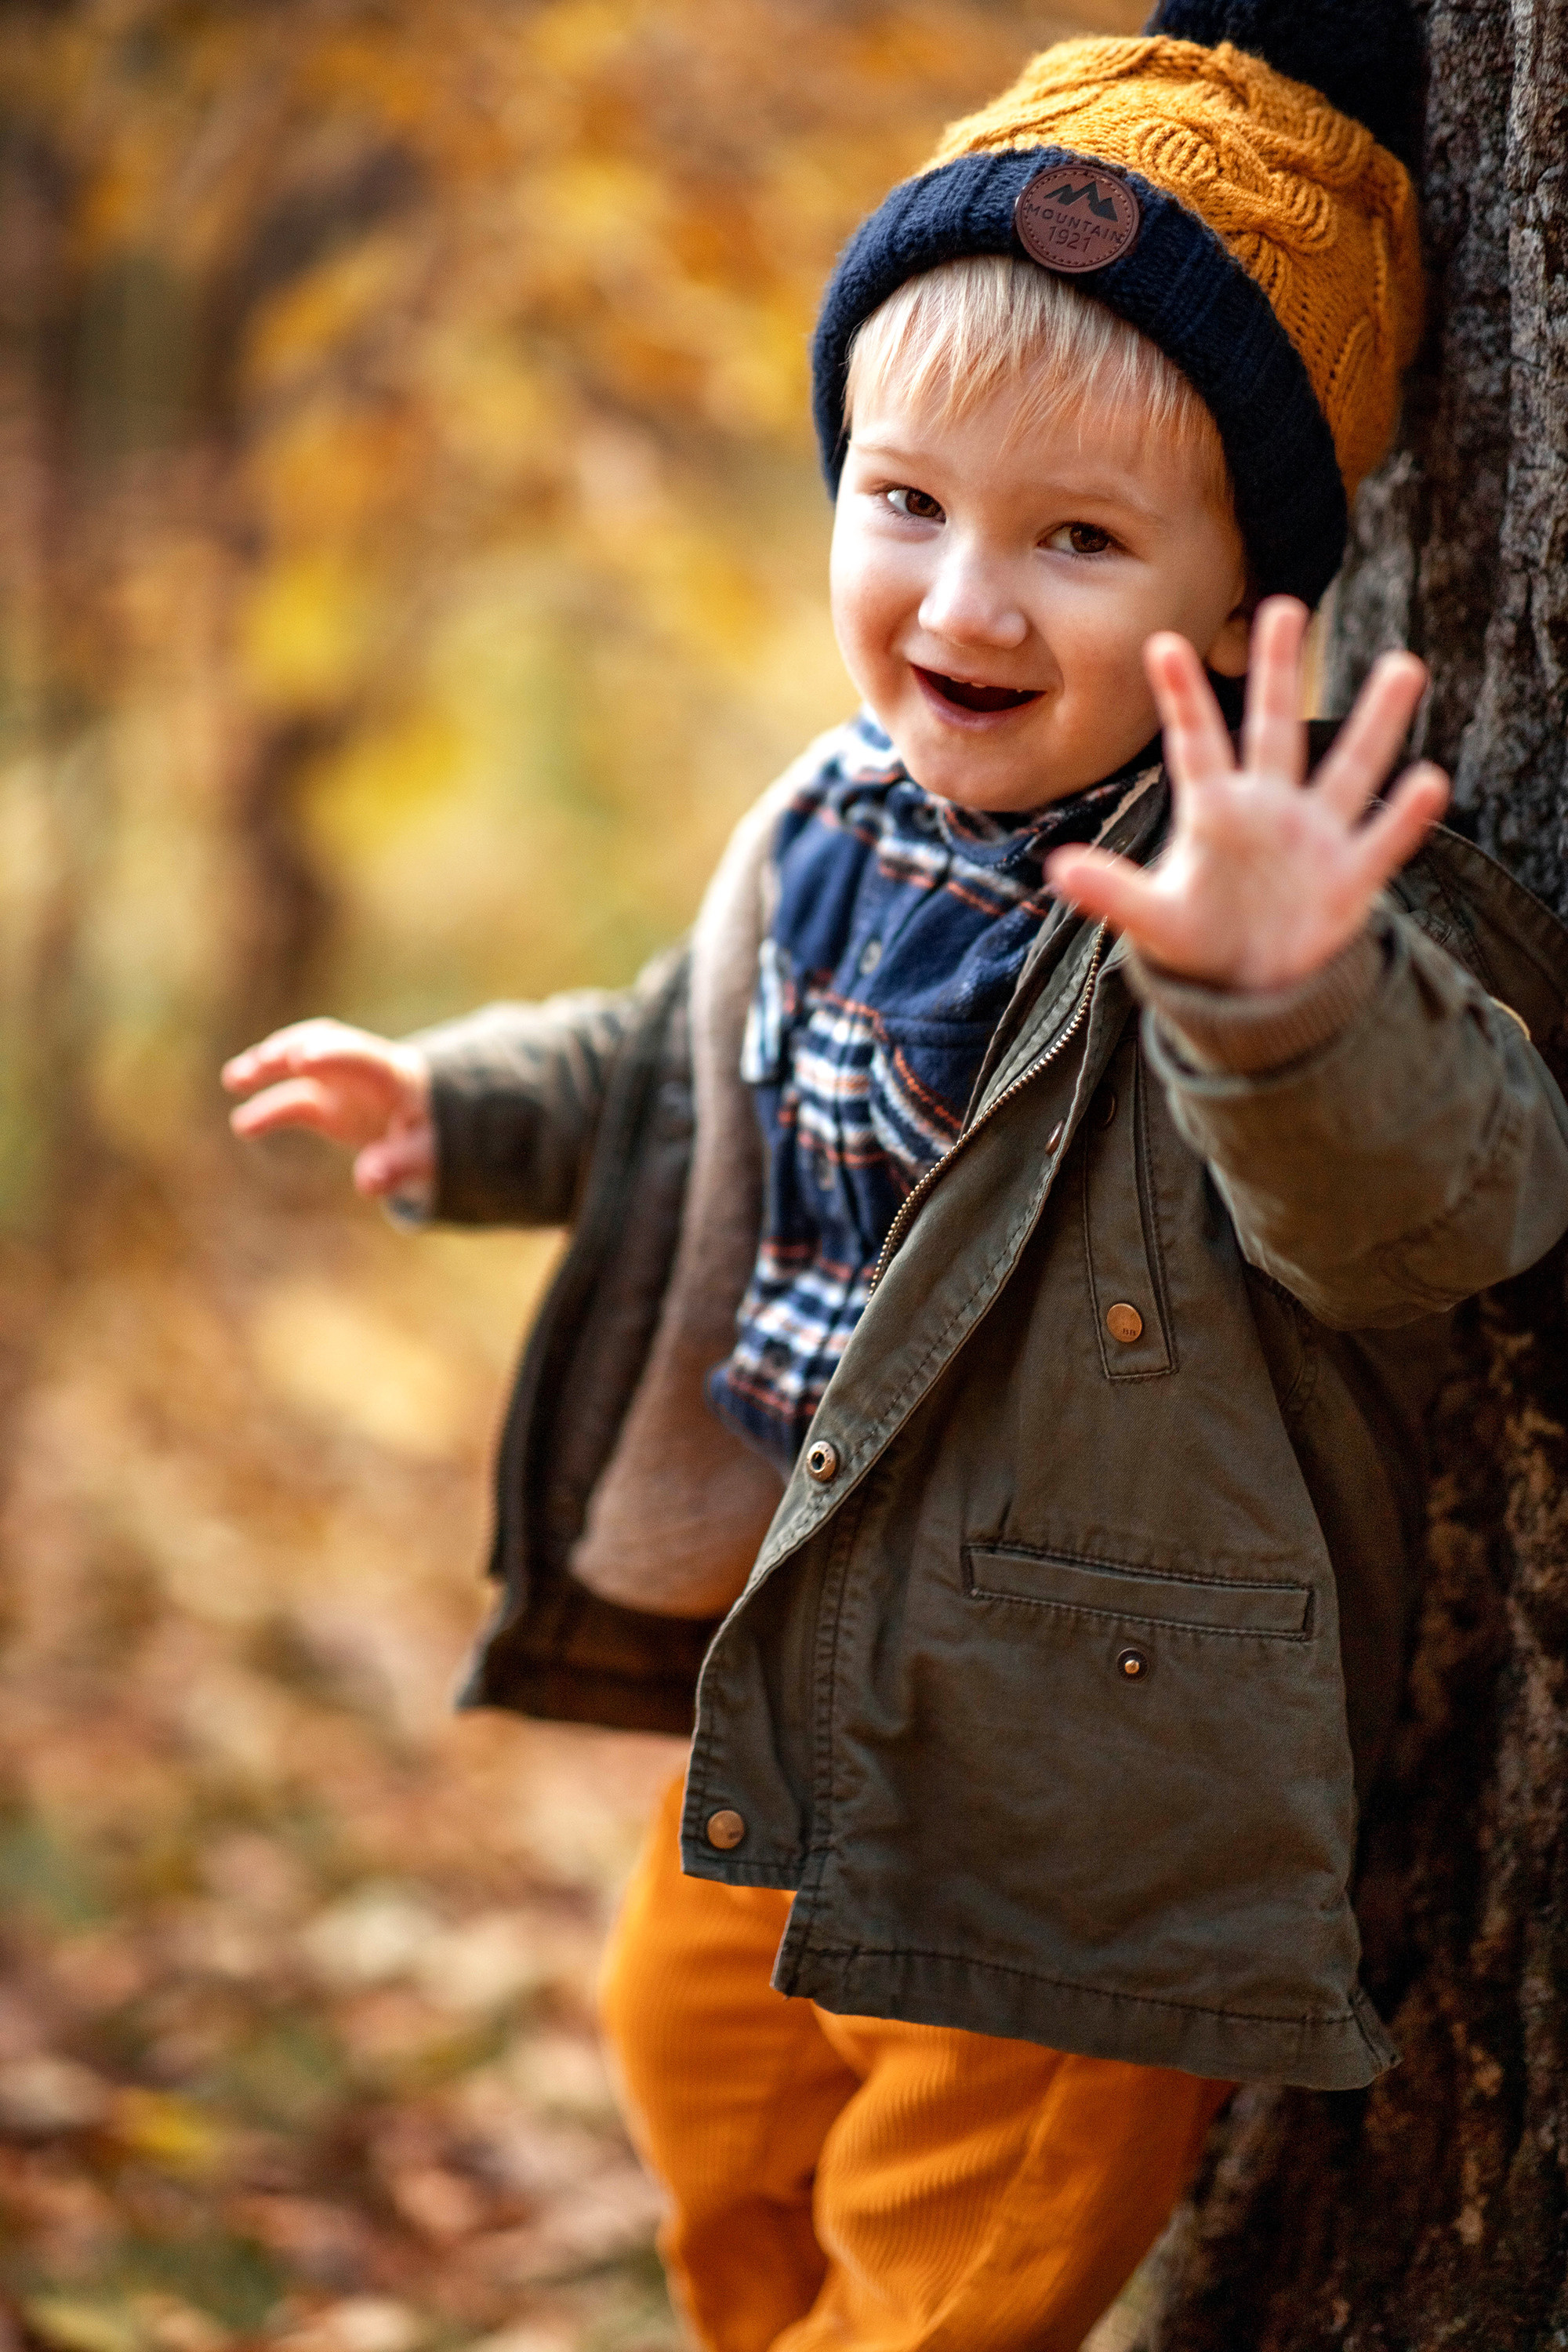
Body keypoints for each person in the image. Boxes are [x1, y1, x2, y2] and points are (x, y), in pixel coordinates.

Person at [223, 3, 1568, 2345]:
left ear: (1246, 588)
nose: (960, 602)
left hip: (1077, 1776)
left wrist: (1277, 1000)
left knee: (957, 2248)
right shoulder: (841, 808)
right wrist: (468, 1108)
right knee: (696, 2065)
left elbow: (1439, 1208)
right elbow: (692, 1056)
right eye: (906, 501)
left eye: (1076, 539)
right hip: (808, 1656)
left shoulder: (1280, 890)